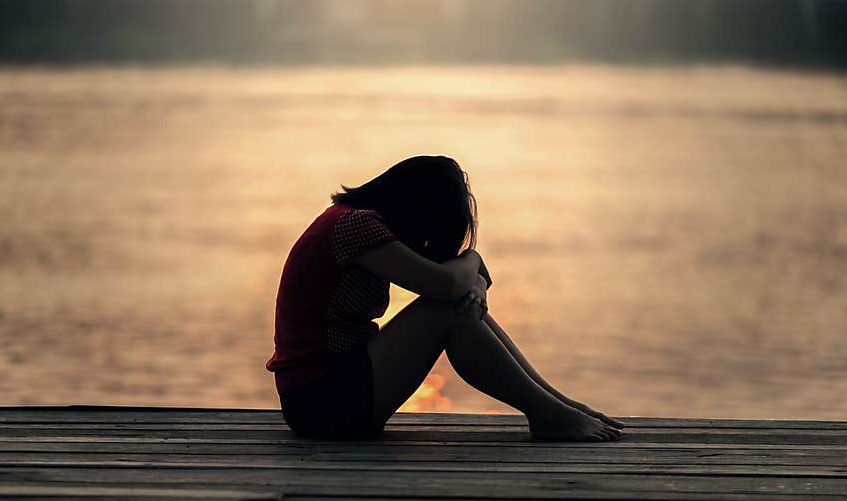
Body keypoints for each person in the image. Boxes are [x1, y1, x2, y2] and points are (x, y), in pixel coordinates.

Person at [266, 155, 624, 441]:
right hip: (320, 401)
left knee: (454, 306)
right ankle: (548, 413)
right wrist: (474, 260)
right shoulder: (354, 226)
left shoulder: (355, 223)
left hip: (332, 393)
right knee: (445, 310)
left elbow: (460, 283)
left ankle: (556, 405)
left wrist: (476, 283)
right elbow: (446, 284)